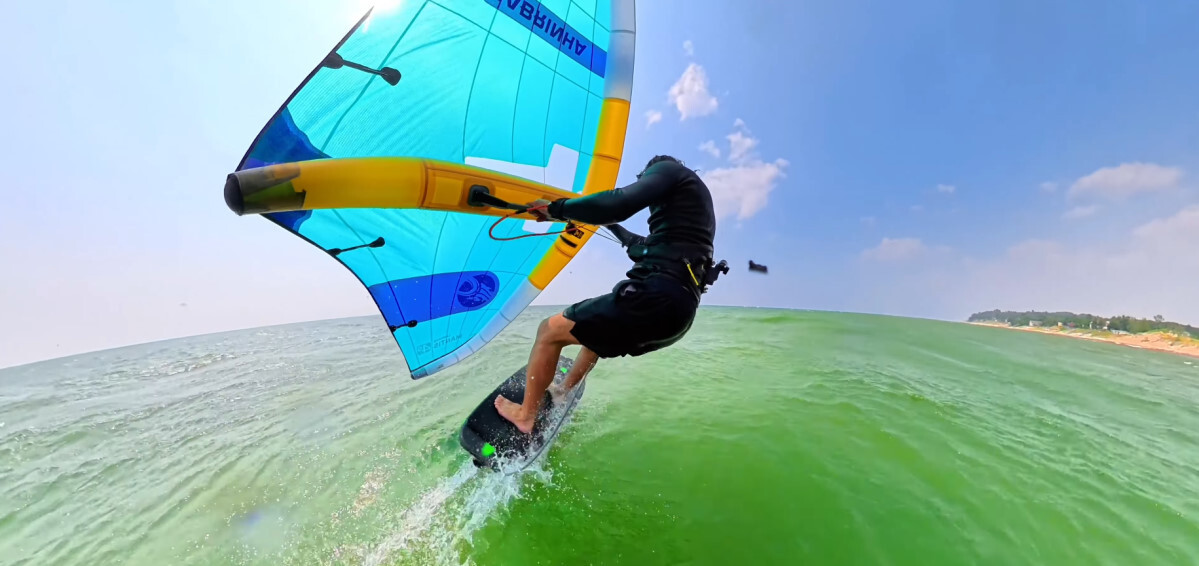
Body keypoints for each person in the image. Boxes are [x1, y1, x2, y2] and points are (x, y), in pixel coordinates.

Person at [494, 155, 720, 434]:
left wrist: (557, 209)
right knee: (597, 332)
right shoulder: (688, 219)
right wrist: (592, 218)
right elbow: (633, 241)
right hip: (678, 316)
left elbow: (618, 203)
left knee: (549, 330)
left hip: (656, 298)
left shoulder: (669, 170)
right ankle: (563, 391)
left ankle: (526, 415)